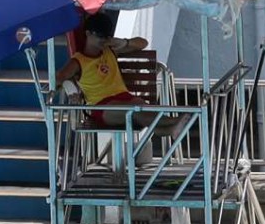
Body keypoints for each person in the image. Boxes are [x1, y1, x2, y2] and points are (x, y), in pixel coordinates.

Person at [56, 13, 185, 135]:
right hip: (101, 106)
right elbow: (59, 78)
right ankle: (173, 122)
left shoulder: (110, 50)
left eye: (107, 36)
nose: (103, 40)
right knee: (135, 110)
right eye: (100, 36)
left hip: (125, 98)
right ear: (88, 33)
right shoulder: (78, 61)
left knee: (142, 108)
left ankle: (171, 128)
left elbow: (143, 43)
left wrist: (124, 42)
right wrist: (71, 89)